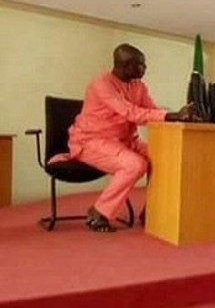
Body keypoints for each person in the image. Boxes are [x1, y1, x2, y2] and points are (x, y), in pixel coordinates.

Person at [67, 44, 198, 232]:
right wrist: (172, 115)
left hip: (127, 141)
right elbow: (130, 113)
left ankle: (154, 210)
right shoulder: (101, 84)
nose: (145, 69)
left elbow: (151, 112)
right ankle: (99, 211)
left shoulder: (139, 86)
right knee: (135, 165)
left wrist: (183, 117)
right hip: (91, 141)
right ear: (125, 65)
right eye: (141, 65)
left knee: (168, 156)